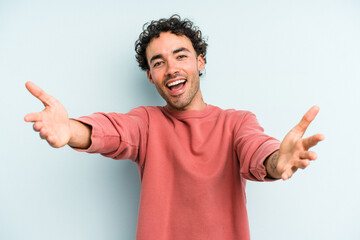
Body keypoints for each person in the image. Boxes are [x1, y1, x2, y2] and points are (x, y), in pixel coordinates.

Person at [24, 15, 324, 240]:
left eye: (181, 55)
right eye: (158, 62)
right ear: (150, 76)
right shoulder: (147, 123)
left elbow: (256, 149)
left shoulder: (237, 122)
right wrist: (70, 129)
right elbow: (112, 131)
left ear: (200, 62)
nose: (171, 69)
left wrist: (276, 160)